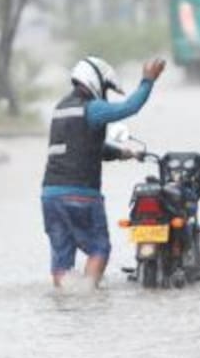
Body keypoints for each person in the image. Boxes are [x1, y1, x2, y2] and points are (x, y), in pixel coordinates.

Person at [41, 55, 167, 287]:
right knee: (99, 248)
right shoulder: (93, 108)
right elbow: (130, 107)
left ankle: (65, 301)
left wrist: (123, 153)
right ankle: (88, 297)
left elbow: (83, 147)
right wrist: (148, 80)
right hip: (80, 194)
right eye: (106, 87)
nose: (106, 93)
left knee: (62, 258)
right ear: (95, 81)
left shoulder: (61, 108)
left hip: (50, 195)